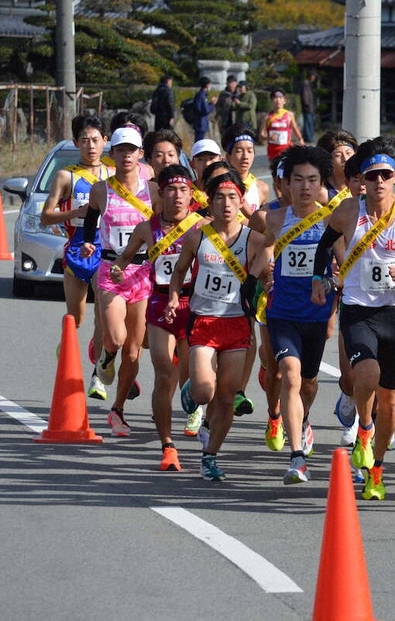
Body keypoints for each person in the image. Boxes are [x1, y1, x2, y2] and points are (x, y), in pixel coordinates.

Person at [310, 135, 395, 500]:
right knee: (365, 374)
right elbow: (324, 247)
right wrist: (321, 279)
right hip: (358, 309)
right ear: (362, 180)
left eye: (385, 174)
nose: (378, 182)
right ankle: (364, 429)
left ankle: (377, 470)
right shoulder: (349, 211)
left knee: (392, 399)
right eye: (371, 176)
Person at [165, 169, 270, 481]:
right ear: (209, 202)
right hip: (204, 323)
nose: (226, 204)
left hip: (237, 324)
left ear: (241, 202)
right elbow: (179, 271)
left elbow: (266, 274)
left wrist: (268, 282)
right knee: (203, 393)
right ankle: (191, 387)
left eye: (233, 198)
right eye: (220, 198)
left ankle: (209, 455)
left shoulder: (255, 240)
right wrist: (173, 297)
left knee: (226, 396)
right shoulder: (197, 235)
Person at [109, 164, 203, 470]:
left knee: (193, 374)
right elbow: (125, 257)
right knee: (165, 374)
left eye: (183, 190)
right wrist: (118, 267)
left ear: (192, 195)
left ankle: (198, 401)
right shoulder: (146, 229)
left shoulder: (202, 226)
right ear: (159, 194)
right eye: (171, 191)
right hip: (161, 306)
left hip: (197, 306)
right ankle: (168, 446)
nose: (177, 197)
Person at [260, 145, 340, 483]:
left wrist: (331, 283)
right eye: (298, 180)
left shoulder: (332, 220)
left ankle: (304, 418)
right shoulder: (274, 218)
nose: (305, 187)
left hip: (316, 314)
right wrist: (264, 274)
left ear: (322, 184)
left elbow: (346, 265)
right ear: (286, 184)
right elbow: (258, 250)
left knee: (308, 381)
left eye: (312, 180)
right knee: (289, 375)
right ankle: (296, 458)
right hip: (282, 313)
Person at [80, 126, 155, 436]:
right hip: (111, 270)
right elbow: (91, 218)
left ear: (140, 154)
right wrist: (87, 240)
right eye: (121, 150)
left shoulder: (153, 190)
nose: (126, 155)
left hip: (143, 272)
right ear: (113, 154)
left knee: (135, 352)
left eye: (132, 150)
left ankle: (118, 410)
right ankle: (105, 357)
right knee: (115, 337)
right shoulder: (101, 189)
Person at [39, 115, 112, 399]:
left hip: (103, 250)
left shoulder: (113, 175)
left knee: (102, 314)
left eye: (95, 140)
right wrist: (74, 213)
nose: (91, 146)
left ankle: (98, 378)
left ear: (105, 142)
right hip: (76, 249)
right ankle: (68, 345)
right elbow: (46, 216)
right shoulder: (66, 176)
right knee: (76, 317)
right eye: (84, 141)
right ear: (75, 143)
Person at [222, 124, 270, 217]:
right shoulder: (219, 187)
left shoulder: (262, 188)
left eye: (249, 151)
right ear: (228, 156)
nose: (245, 157)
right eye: (239, 151)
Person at [261, 89, 304, 162]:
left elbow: (295, 128)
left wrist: (300, 139)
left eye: (281, 98)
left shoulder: (289, 115)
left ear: (284, 101)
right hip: (273, 149)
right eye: (275, 98)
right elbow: (261, 136)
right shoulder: (267, 117)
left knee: (287, 170)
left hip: (286, 148)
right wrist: (269, 137)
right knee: (275, 171)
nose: (278, 100)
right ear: (272, 100)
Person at [193, 77, 217, 142]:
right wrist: (212, 104)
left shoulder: (201, 95)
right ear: (207, 85)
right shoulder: (202, 95)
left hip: (200, 123)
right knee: (199, 142)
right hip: (200, 123)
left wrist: (210, 103)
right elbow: (204, 110)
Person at [299, 73, 317, 143]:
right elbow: (305, 95)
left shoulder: (308, 84)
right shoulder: (306, 84)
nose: (314, 78)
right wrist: (307, 104)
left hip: (309, 107)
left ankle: (309, 137)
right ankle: (309, 138)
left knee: (309, 122)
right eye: (313, 76)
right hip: (307, 107)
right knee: (308, 123)